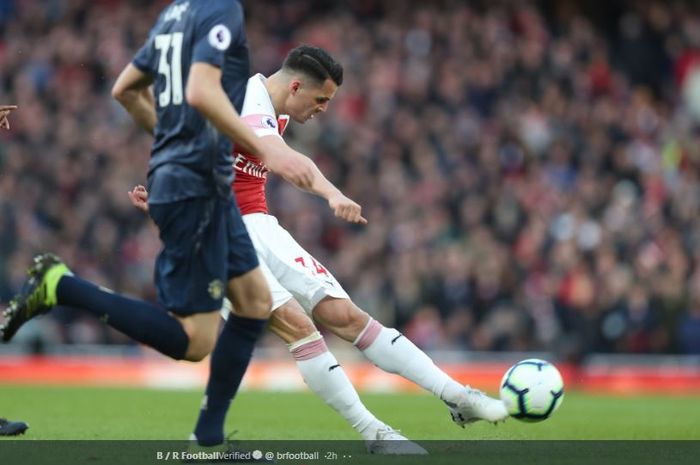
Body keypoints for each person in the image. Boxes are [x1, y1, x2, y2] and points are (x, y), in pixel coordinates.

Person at [130, 44, 507, 454]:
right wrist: (331, 193)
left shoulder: (279, 108)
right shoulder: (249, 100)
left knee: (343, 315)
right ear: (295, 85)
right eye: (322, 99)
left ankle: (457, 397)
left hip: (256, 223)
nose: (325, 109)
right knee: (298, 326)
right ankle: (375, 434)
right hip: (213, 232)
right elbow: (283, 161)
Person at [1, 0, 314, 445]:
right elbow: (203, 93)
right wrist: (260, 149)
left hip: (200, 181)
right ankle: (61, 285)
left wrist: (174, 144)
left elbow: (125, 89)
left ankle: (209, 436)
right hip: (196, 184)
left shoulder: (172, 16)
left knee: (254, 302)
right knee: (195, 341)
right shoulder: (221, 12)